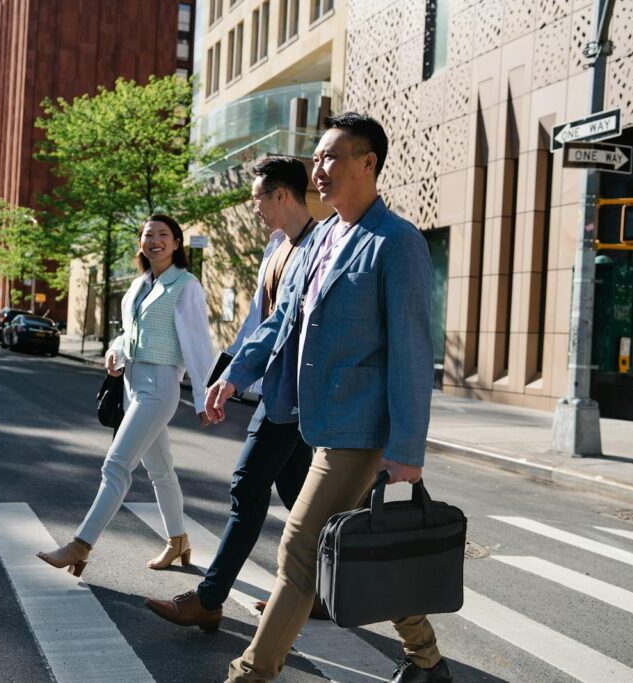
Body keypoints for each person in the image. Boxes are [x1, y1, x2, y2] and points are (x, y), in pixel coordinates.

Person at [208, 113, 451, 683]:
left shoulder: (397, 243)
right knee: (366, 546)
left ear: (368, 164)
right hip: (317, 421)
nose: (318, 168)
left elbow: (413, 354)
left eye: (331, 157)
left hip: (361, 431)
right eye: (316, 158)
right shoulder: (320, 240)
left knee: (298, 547)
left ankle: (251, 672)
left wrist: (407, 450)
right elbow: (281, 323)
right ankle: (427, 661)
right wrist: (232, 374)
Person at [145, 157, 319, 632]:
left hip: (295, 393)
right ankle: (319, 591)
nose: (254, 206)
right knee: (298, 493)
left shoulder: (319, 247)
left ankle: (209, 597)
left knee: (247, 487)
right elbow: (257, 323)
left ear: (281, 195)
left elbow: (289, 327)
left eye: (258, 197)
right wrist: (226, 374)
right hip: (277, 389)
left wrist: (235, 378)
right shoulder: (276, 246)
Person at [37, 214, 214, 576]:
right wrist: (116, 349)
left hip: (160, 386)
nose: (155, 241)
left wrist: (203, 397)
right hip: (133, 384)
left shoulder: (186, 284)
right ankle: (178, 539)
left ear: (177, 243)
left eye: (164, 235)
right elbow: (128, 331)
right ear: (140, 244)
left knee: (116, 465)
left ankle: (81, 544)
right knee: (161, 471)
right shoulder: (138, 286)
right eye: (148, 235)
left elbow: (198, 344)